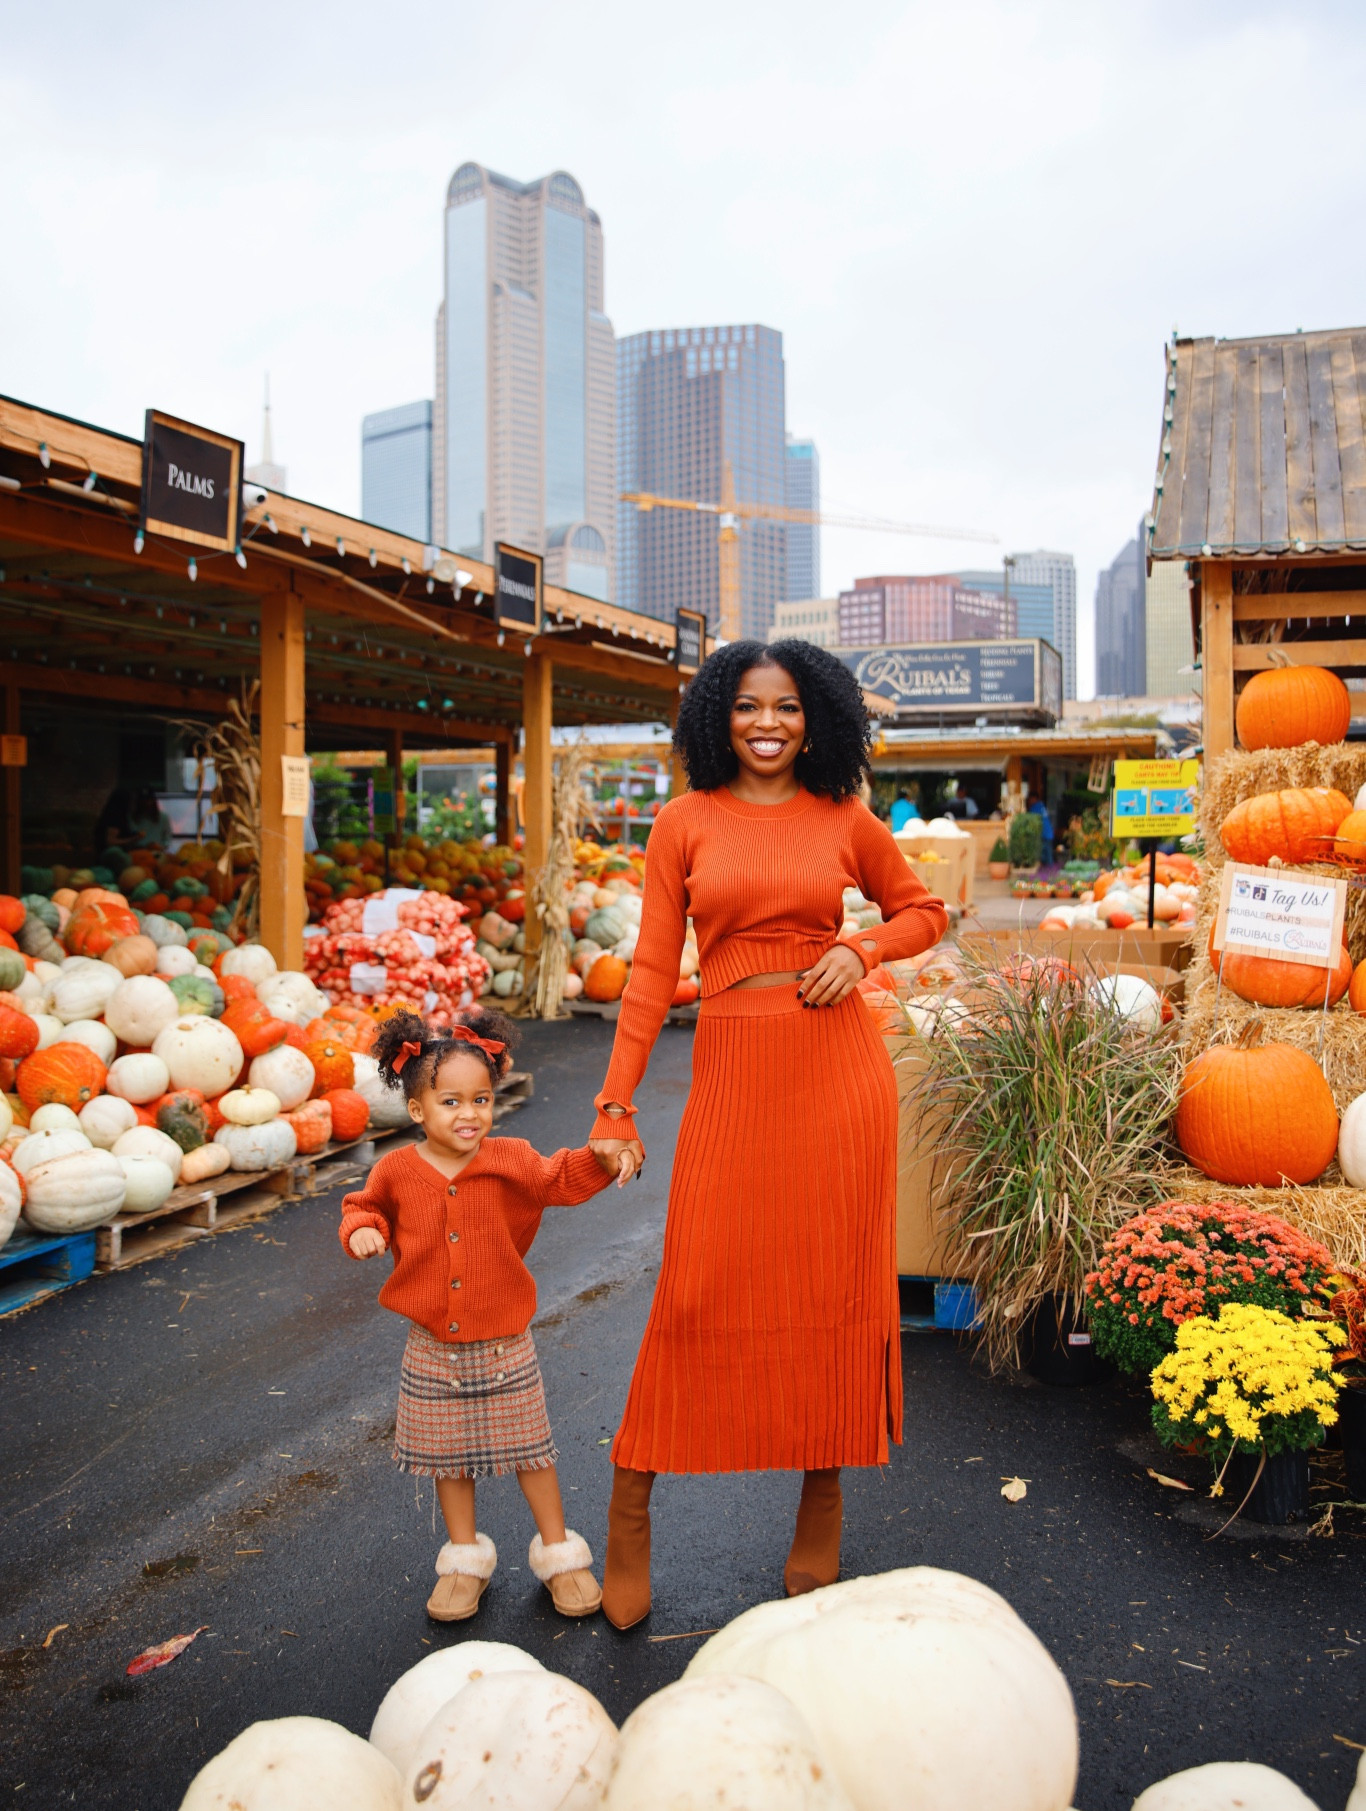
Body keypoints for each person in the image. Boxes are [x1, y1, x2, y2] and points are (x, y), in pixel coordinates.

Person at [588, 638, 949, 1630]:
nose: (767, 723)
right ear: (718, 715)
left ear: (815, 717)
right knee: (695, 1290)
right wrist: (612, 1104)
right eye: (748, 705)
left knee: (830, 1294)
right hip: (734, 1072)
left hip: (839, 1079)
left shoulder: (844, 815)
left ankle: (820, 1499)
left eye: (787, 707)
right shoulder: (682, 822)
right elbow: (653, 976)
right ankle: (631, 1501)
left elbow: (925, 909)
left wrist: (859, 946)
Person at [339, 1007, 636, 1624]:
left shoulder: (509, 1157)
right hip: (432, 1345)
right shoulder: (395, 1170)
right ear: (417, 1110)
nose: (469, 1113)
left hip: (505, 1340)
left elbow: (560, 1176)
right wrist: (363, 1230)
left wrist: (605, 1158)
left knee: (532, 1450)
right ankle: (464, 1558)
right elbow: (362, 1207)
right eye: (450, 1101)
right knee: (449, 1457)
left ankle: (560, 1554)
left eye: (481, 1098)